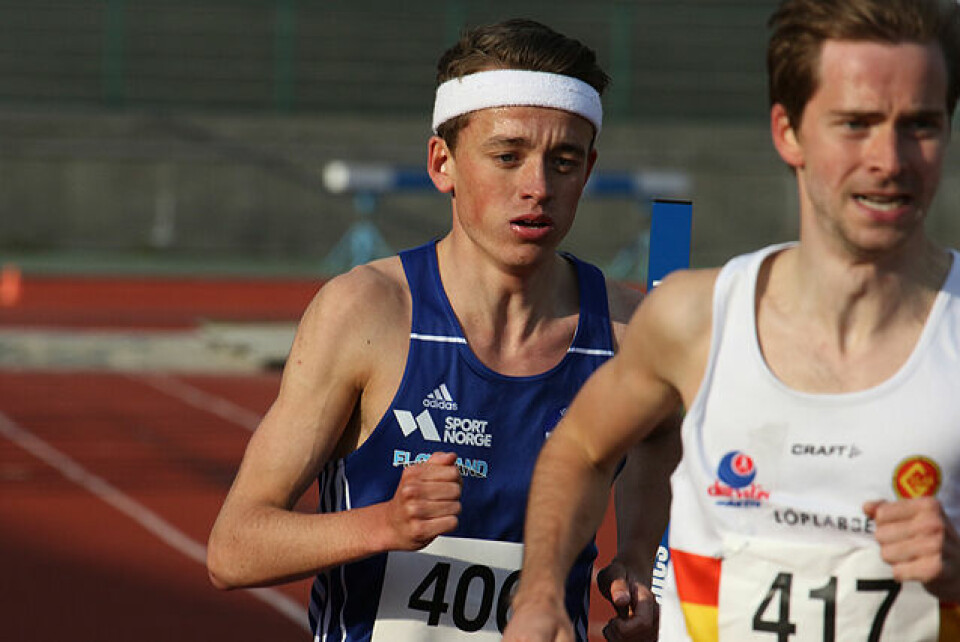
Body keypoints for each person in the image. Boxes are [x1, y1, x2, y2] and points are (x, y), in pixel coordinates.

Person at [503, 0, 960, 640]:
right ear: (788, 132)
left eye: (921, 124)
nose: (890, 158)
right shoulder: (697, 319)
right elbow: (578, 450)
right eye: (855, 123)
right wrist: (542, 595)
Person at [206, 18, 641, 641]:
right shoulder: (368, 312)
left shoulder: (630, 332)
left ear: (588, 169)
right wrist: (385, 524)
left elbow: (669, 518)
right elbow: (234, 547)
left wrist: (644, 577)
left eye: (564, 161)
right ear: (443, 162)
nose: (537, 187)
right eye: (507, 156)